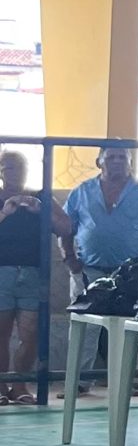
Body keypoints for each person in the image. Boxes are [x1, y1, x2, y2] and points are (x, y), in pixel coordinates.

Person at [55, 141, 138, 394]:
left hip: (130, 274)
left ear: (130, 162)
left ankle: (129, 379)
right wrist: (69, 258)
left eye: (122, 157)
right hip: (89, 271)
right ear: (99, 161)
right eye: (111, 157)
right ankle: (78, 381)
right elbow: (65, 228)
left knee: (131, 327)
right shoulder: (81, 192)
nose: (117, 161)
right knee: (84, 326)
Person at [0, 151, 48, 403]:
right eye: (8, 168)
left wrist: (42, 211)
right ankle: (0, 386)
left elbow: (66, 227)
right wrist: (5, 213)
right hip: (2, 272)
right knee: (1, 332)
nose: (14, 173)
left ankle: (19, 386)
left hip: (32, 273)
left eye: (19, 168)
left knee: (30, 334)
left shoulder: (39, 198)